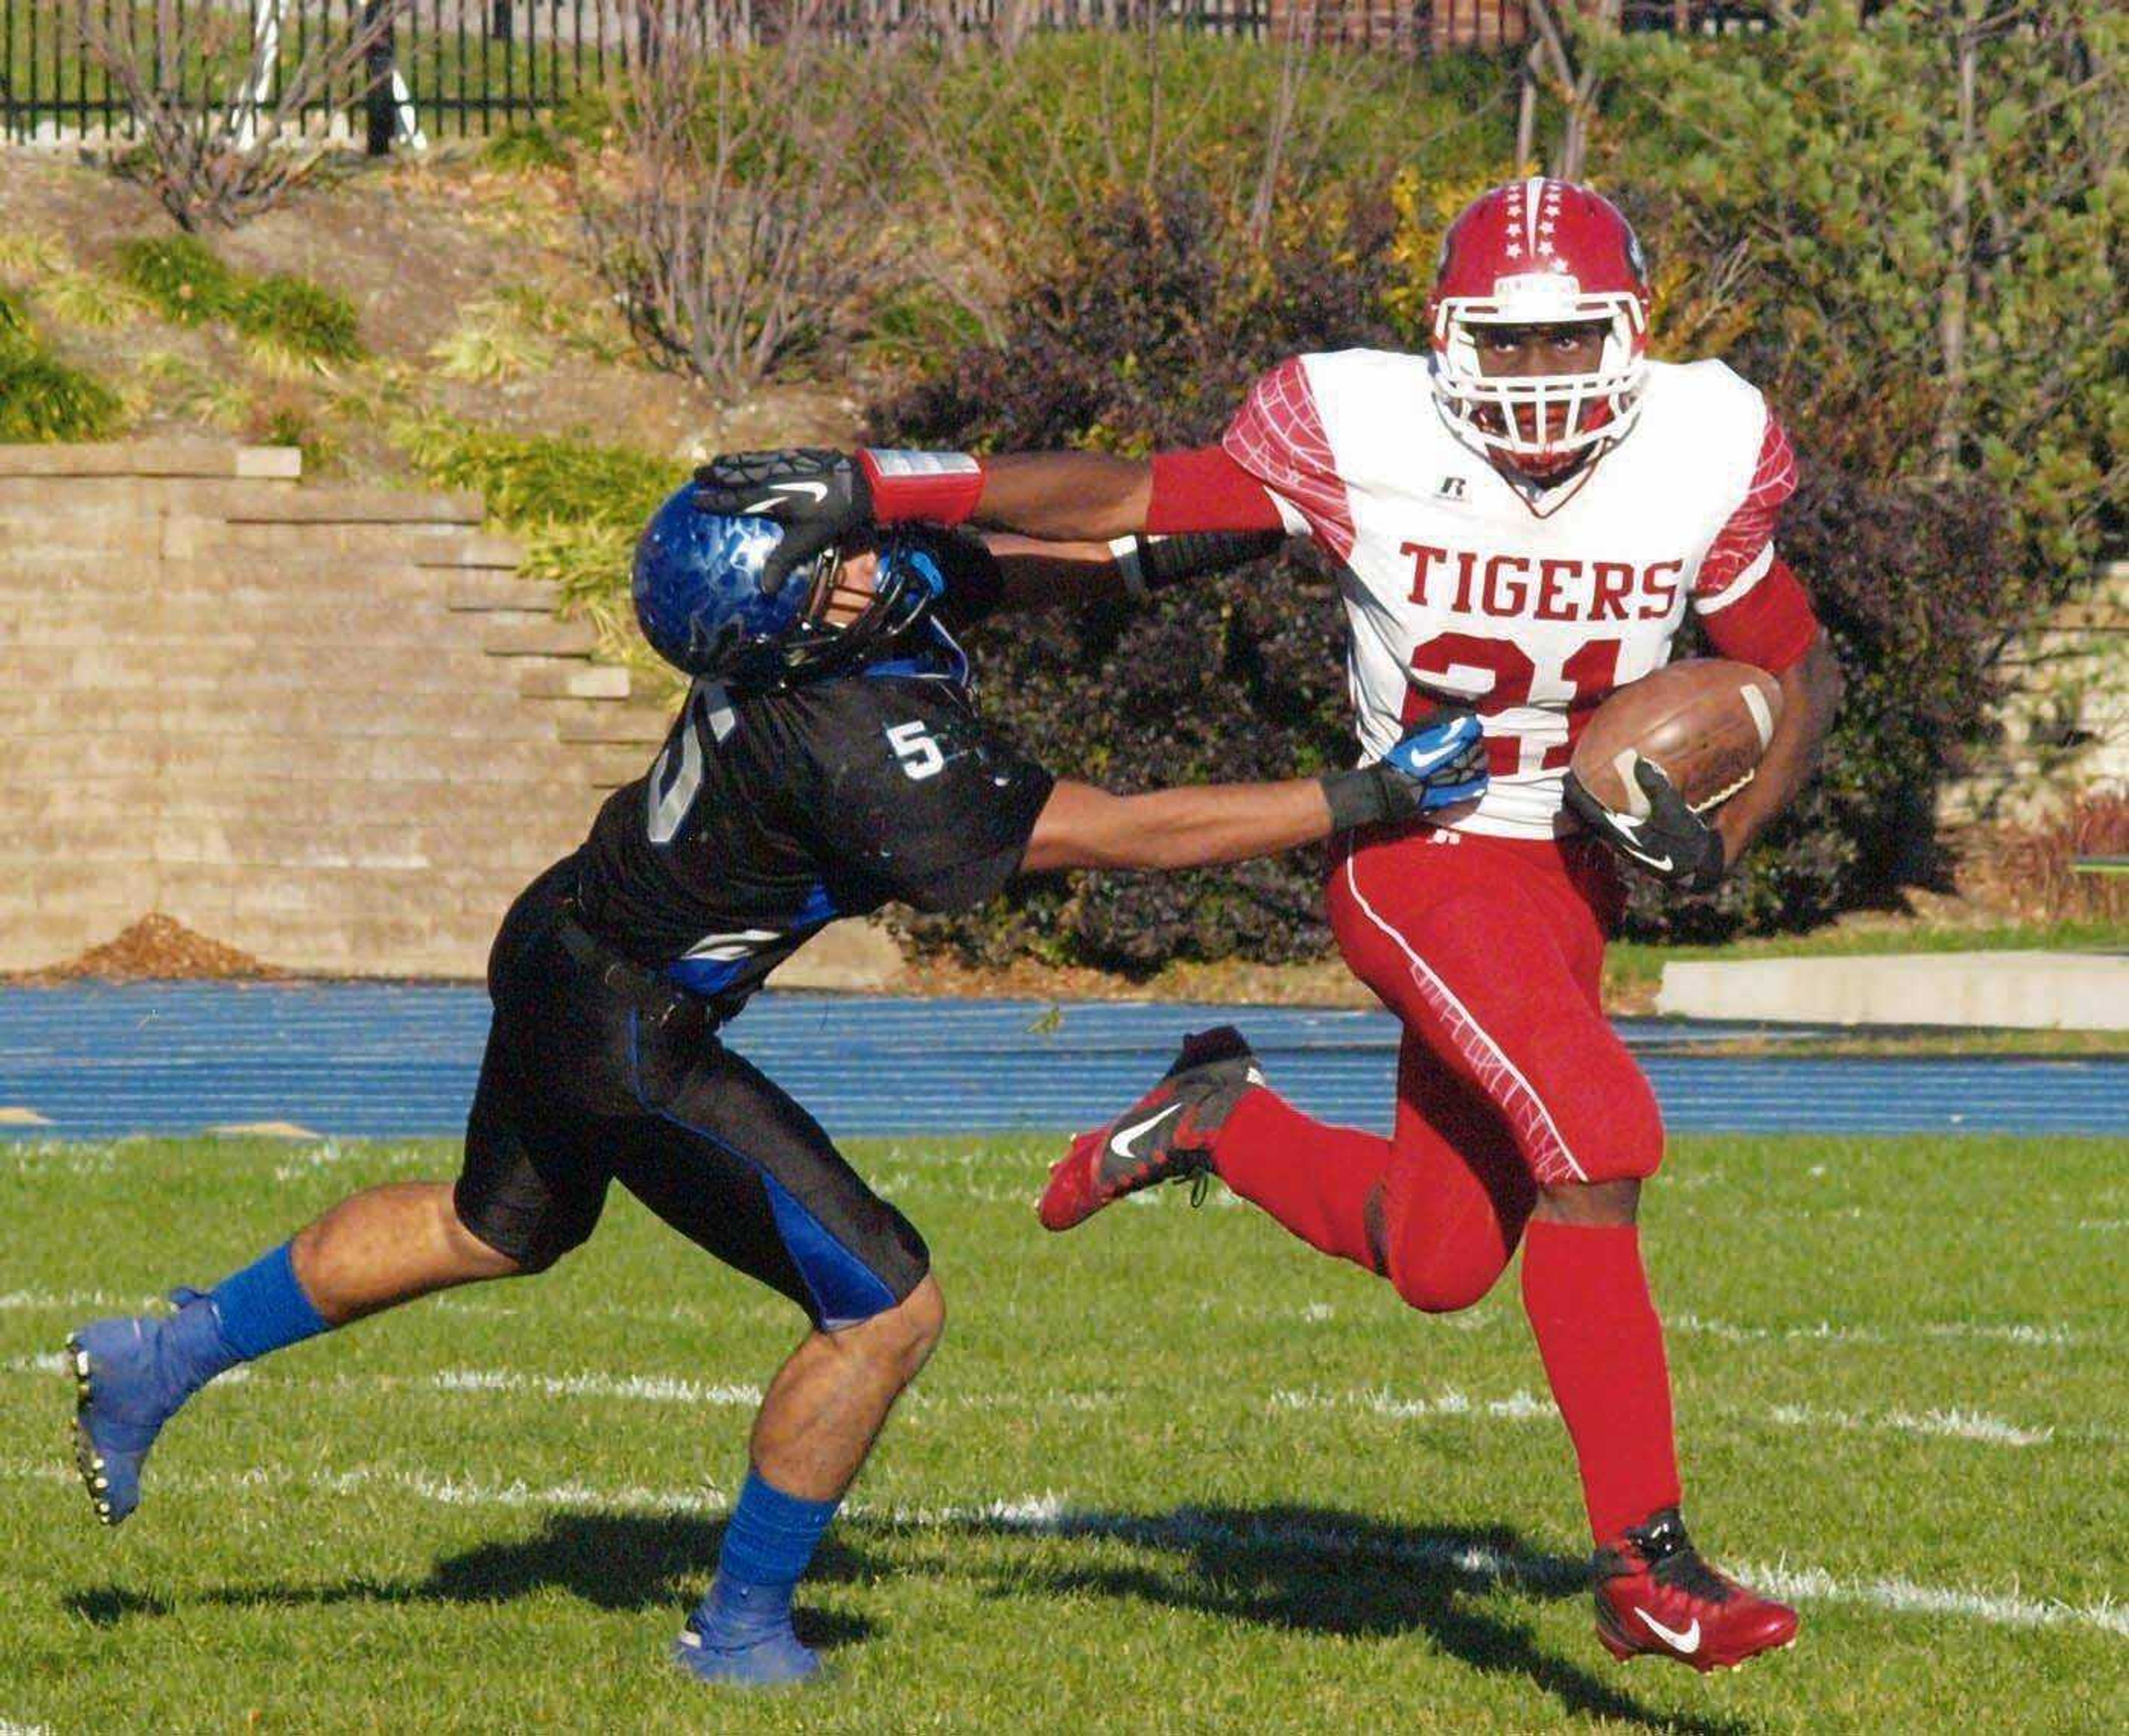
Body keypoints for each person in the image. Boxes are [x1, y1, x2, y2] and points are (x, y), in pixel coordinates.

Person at [692, 177, 1845, 1673]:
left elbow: (1797, 669)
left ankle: (1219, 1118)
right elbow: (1129, 500)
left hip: (1570, 886)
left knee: (1442, 1256)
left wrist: (1729, 833)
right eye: (1510, 344)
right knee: (1602, 1138)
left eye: (1572, 343)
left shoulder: (1704, 444)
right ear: (1449, 342)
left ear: (1630, 339)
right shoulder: (1360, 425)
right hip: (1417, 855)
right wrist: (894, 486)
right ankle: (1650, 1562)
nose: (1541, 376)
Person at [67, 494, 1488, 1687]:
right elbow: (1125, 837)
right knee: (887, 1308)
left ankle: (163, 1355)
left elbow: (998, 564)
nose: (873, 559)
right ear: (798, 617)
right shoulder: (853, 742)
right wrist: (1365, 797)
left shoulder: (808, 626)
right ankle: (738, 1629)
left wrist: (1214, 531)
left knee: (488, 1227)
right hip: (633, 1029)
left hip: (562, 939)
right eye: (837, 563)